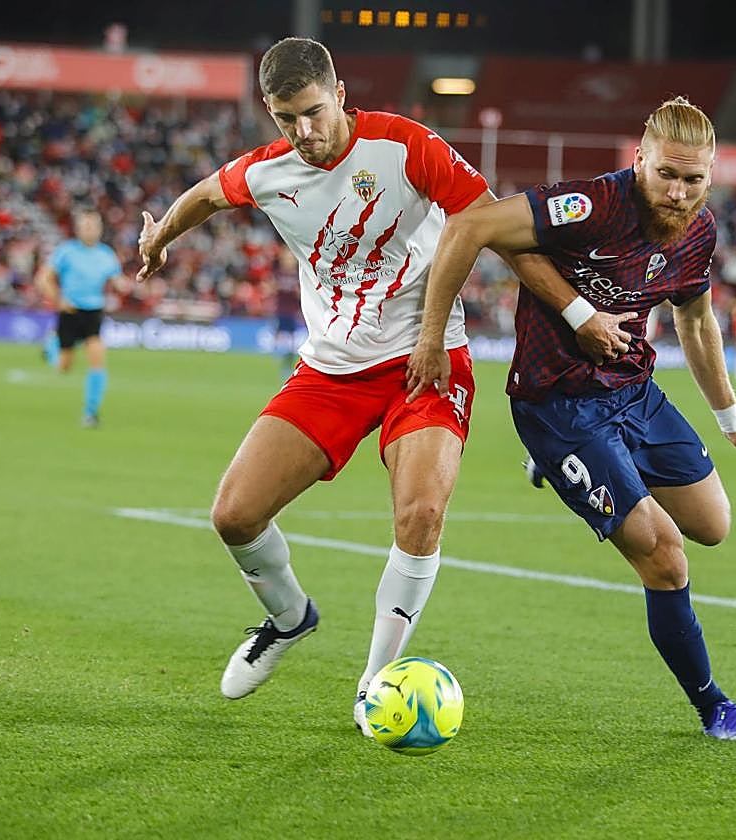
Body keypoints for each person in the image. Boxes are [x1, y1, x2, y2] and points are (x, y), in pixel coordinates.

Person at [135, 37, 614, 736]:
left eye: (313, 112)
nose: (303, 132)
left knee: (421, 514)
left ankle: (374, 684)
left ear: (340, 94)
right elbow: (206, 194)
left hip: (426, 361)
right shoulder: (268, 172)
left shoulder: (406, 147)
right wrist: (160, 239)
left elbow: (497, 229)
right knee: (234, 515)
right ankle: (289, 618)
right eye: (284, 119)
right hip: (330, 371)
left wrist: (577, 311)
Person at [406, 97, 736, 741]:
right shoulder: (592, 206)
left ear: (712, 176)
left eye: (693, 179)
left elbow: (694, 319)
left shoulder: (698, 231)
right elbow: (470, 227)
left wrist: (731, 419)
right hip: (558, 405)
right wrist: (432, 338)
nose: (678, 190)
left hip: (633, 394)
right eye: (667, 173)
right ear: (639, 160)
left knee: (712, 526)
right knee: (666, 556)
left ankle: (564, 471)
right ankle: (713, 706)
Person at [35, 209, 124, 428]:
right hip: (70, 312)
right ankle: (52, 347)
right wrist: (57, 299)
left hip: (94, 312)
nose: (90, 230)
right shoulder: (66, 252)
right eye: (86, 226)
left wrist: (125, 284)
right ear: (78, 229)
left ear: (100, 228)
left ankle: (90, 412)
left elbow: (117, 280)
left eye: (93, 226)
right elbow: (43, 279)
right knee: (64, 366)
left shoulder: (106, 254)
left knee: (98, 360)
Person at [270, 246, 303, 379]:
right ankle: (278, 354)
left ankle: (287, 361)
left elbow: (302, 293)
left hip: (293, 311)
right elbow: (271, 288)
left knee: (291, 338)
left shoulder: (298, 274)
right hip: (280, 310)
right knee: (280, 335)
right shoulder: (278, 274)